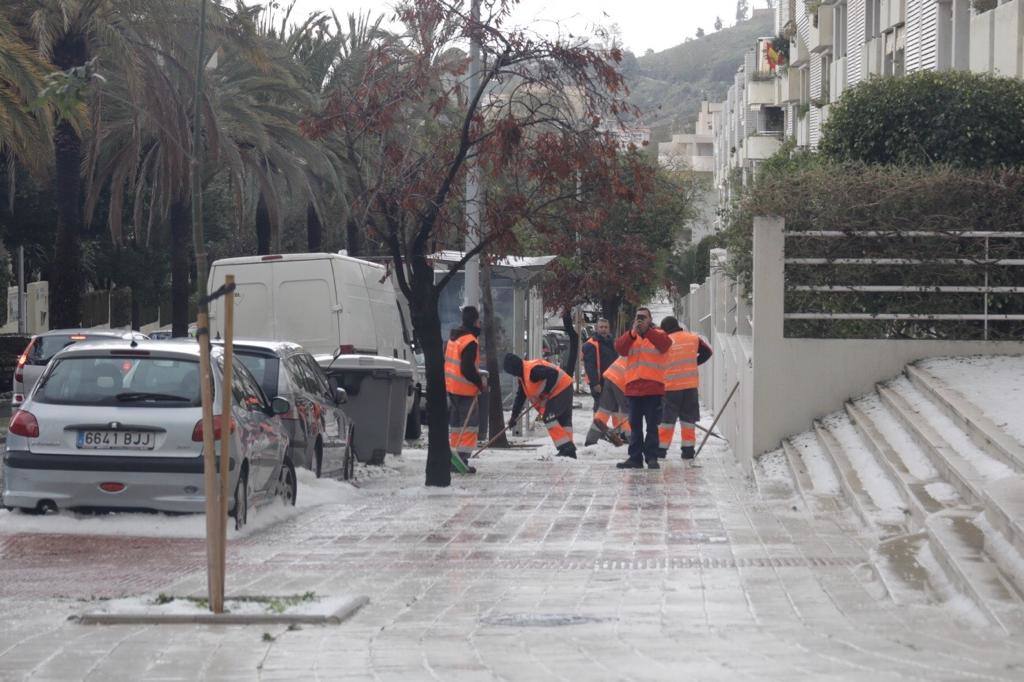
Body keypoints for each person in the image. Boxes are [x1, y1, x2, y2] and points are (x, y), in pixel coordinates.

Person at [614, 307, 671, 469]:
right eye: (638, 317)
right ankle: (635, 458)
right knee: (635, 427)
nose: (640, 320)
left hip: (653, 388)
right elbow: (620, 348)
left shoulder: (658, 334)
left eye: (644, 318)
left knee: (652, 426)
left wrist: (647, 332)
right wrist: (633, 333)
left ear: (650, 319)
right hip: (633, 388)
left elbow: (665, 345)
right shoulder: (631, 336)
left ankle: (652, 457)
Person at [657, 316, 713, 460]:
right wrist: (694, 363)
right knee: (688, 420)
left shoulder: (664, 342)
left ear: (665, 329)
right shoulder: (693, 338)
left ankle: (661, 451)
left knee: (667, 421)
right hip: (690, 387)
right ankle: (688, 451)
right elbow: (708, 352)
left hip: (671, 388)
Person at [504, 352, 577, 459]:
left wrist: (545, 393)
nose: (513, 375)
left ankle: (566, 447)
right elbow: (520, 398)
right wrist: (514, 417)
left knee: (549, 418)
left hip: (560, 390)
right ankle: (570, 452)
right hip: (564, 387)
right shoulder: (523, 376)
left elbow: (553, 374)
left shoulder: (533, 371)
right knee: (563, 420)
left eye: (512, 372)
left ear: (514, 368)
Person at [445, 306, 486, 472]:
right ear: (475, 321)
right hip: (465, 389)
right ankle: (461, 459)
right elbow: (467, 368)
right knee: (469, 426)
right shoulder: (469, 341)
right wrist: (479, 383)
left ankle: (453, 456)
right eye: (478, 320)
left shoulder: (454, 338)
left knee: (456, 426)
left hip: (452, 388)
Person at [584, 356, 632, 446]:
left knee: (604, 410)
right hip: (622, 379)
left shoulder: (639, 346)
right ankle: (633, 441)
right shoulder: (653, 353)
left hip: (611, 375)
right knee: (628, 413)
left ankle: (591, 440)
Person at [582, 318, 617, 413]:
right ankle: (598, 427)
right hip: (599, 382)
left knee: (615, 408)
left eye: (606, 327)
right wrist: (595, 383)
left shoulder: (612, 342)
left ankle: (616, 428)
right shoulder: (591, 345)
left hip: (612, 381)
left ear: (609, 329)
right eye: (601, 327)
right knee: (600, 408)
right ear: (597, 328)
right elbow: (590, 366)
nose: (603, 329)